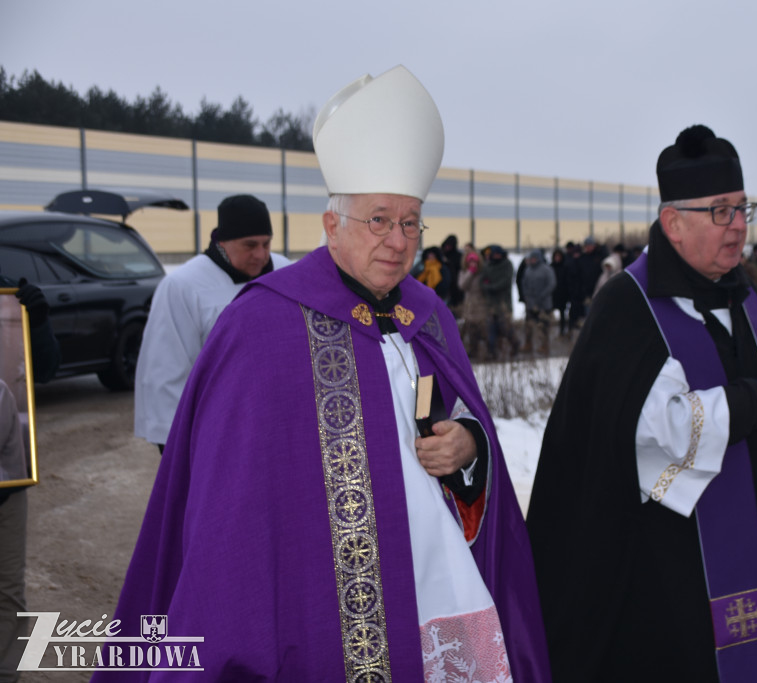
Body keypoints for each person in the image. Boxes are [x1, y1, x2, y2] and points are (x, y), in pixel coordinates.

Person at [95, 65, 549, 682]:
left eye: (410, 221)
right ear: (331, 224)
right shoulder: (262, 326)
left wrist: (468, 444)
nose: (398, 239)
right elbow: (231, 512)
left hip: (440, 583)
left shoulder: (429, 313)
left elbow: (458, 415)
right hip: (320, 606)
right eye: (378, 219)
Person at [527, 124, 757, 682]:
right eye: (720, 211)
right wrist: (751, 403)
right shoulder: (629, 306)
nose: (738, 226)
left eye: (743, 209)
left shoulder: (742, 296)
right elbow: (652, 436)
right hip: (668, 562)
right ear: (673, 222)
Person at [133, 194, 291, 451]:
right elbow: (166, 365)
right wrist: (171, 439)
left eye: (266, 244)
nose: (261, 255)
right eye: (250, 245)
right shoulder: (184, 285)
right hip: (213, 426)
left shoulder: (284, 273)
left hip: (275, 420)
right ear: (223, 242)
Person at [0, 278, 60, 683]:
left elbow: (47, 368)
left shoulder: (8, 295)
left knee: (7, 588)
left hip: (7, 483)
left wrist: (37, 322)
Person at [519, 249, 556, 355]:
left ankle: (544, 345)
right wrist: (527, 296)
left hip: (544, 304)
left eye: (534, 258)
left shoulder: (547, 269)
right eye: (531, 258)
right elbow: (524, 283)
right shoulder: (528, 269)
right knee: (528, 325)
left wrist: (541, 296)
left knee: (543, 326)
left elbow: (551, 284)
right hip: (531, 303)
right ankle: (528, 344)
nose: (532, 260)